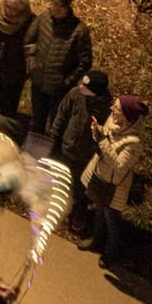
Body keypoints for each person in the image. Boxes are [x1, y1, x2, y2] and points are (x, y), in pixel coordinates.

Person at [81, 94, 147, 267]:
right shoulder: (113, 120)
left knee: (112, 220)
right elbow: (105, 139)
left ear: (127, 115)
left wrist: (102, 141)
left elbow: (119, 165)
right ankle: (96, 241)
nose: (112, 109)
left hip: (114, 185)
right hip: (101, 175)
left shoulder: (134, 142)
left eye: (116, 108)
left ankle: (111, 253)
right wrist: (97, 131)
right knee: (98, 211)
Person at [47, 68, 111, 239]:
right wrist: (53, 139)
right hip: (67, 148)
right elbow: (61, 116)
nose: (81, 86)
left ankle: (78, 214)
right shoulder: (75, 94)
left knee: (81, 189)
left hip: (86, 156)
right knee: (61, 180)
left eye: (86, 86)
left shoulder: (106, 108)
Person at [23, 0, 92, 135]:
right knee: (37, 121)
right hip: (38, 83)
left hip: (59, 90)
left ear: (62, 8)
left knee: (54, 126)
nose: (48, 6)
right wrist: (32, 64)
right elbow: (29, 41)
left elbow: (85, 63)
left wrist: (66, 82)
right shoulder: (43, 18)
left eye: (52, 3)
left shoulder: (79, 31)